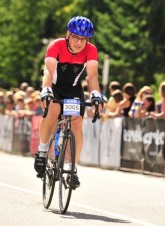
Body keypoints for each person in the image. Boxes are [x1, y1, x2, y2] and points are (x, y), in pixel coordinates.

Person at [34, 16, 103, 188]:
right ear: (68, 34)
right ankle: (42, 151)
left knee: (77, 121)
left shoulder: (90, 50)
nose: (80, 43)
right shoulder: (56, 46)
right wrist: (46, 89)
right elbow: (48, 72)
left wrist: (95, 94)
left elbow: (92, 76)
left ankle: (72, 169)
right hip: (55, 86)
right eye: (76, 37)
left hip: (73, 88)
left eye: (84, 39)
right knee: (53, 111)